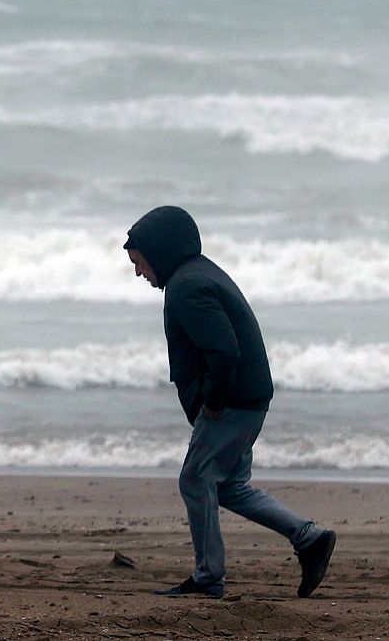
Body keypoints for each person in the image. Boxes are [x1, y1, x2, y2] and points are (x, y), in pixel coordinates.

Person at [123, 205, 335, 599]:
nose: (138, 272)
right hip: (249, 398)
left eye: (139, 262)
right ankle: (309, 538)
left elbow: (224, 352)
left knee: (196, 479)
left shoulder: (188, 287)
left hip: (233, 402)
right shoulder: (199, 275)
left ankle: (207, 579)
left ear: (159, 251)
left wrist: (212, 405)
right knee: (230, 485)